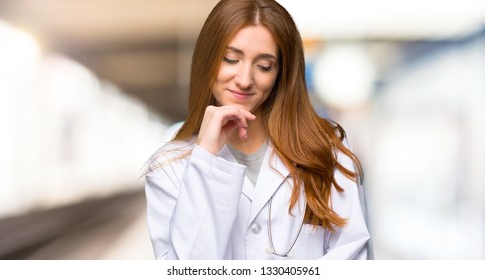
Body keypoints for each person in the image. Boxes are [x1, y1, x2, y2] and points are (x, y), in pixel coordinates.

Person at [144, 0, 372, 260]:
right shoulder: (169, 167)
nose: (244, 79)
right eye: (230, 59)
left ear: (281, 74)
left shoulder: (328, 149)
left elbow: (354, 258)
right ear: (207, 60)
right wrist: (205, 159)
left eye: (264, 66)